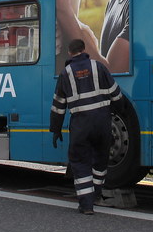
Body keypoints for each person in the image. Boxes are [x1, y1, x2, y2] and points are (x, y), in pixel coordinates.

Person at [49, 38, 126, 215]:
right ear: (84, 50)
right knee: (100, 160)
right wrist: (119, 111)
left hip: (81, 125)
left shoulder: (66, 73)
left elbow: (58, 105)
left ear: (70, 53)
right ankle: (96, 194)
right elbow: (116, 94)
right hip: (102, 123)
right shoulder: (99, 67)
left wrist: (56, 129)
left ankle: (86, 205)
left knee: (80, 161)